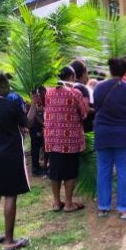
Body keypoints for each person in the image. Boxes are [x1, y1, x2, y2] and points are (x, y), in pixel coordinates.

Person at [0, 71, 38, 250]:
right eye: (6, 84)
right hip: (10, 154)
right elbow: (27, 123)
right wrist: (34, 103)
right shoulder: (10, 105)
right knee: (10, 195)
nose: (9, 87)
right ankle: (9, 240)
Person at [93, 58, 126, 220]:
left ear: (110, 70)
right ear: (125, 72)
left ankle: (103, 207)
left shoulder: (98, 88)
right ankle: (124, 209)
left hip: (102, 134)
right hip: (124, 135)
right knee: (124, 172)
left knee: (103, 171)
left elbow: (97, 106)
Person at [44, 66, 90, 213]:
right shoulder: (74, 92)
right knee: (70, 171)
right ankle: (69, 203)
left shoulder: (48, 92)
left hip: (53, 138)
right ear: (71, 77)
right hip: (70, 139)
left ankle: (57, 203)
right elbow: (84, 114)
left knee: (55, 170)